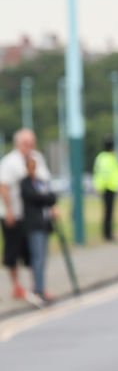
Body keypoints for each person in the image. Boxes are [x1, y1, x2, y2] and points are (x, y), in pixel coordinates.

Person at [0, 128, 51, 301]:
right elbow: (4, 187)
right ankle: (16, 286)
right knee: (13, 251)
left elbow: (44, 183)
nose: (29, 146)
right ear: (18, 143)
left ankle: (37, 286)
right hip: (15, 213)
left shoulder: (37, 158)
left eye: (31, 143)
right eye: (25, 143)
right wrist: (8, 211)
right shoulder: (9, 162)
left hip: (33, 215)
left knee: (34, 252)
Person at [20, 156, 58, 304]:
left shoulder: (41, 182)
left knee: (43, 259)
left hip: (44, 225)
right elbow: (35, 197)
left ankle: (41, 288)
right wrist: (45, 197)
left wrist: (45, 197)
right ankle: (38, 290)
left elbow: (52, 197)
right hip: (33, 225)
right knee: (37, 258)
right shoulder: (25, 183)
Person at [92, 138, 118, 241]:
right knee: (108, 212)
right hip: (109, 187)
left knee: (108, 212)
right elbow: (113, 172)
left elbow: (98, 172)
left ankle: (108, 233)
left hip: (107, 187)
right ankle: (107, 234)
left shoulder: (101, 158)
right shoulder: (111, 157)